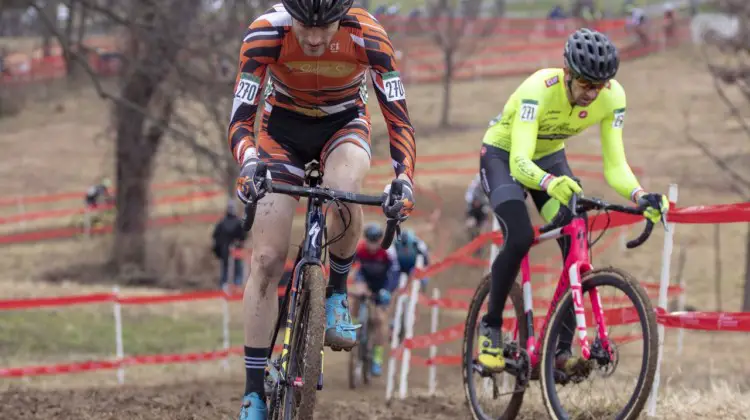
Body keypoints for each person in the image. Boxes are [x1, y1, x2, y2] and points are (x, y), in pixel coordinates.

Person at [229, 0, 416, 417]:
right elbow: (241, 119)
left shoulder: (368, 35)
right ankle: (254, 392)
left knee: (344, 188)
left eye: (325, 26)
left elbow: (399, 120)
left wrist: (404, 176)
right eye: (304, 26)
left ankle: (335, 294)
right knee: (266, 257)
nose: (313, 38)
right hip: (281, 137)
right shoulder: (264, 34)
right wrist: (249, 162)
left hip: (344, 127)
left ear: (341, 18)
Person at [476, 28, 669, 375]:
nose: (592, 94)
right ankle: (489, 327)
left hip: (549, 158)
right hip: (504, 157)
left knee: (575, 235)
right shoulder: (538, 90)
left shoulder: (613, 98)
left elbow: (615, 164)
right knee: (519, 236)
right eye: (585, 84)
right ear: (567, 73)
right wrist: (550, 184)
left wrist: (640, 195)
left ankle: (560, 350)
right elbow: (520, 162)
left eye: (600, 85)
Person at [349, 223, 400, 377]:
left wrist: (388, 290)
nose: (372, 245)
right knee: (356, 299)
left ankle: (377, 358)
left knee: (379, 319)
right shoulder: (361, 250)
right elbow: (349, 265)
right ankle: (355, 328)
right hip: (366, 282)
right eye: (369, 241)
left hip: (382, 285)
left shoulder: (388, 252)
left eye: (375, 241)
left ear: (380, 240)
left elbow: (395, 273)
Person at [212, 202, 248, 292]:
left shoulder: (222, 223)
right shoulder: (238, 222)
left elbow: (215, 236)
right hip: (234, 250)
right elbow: (243, 236)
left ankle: (226, 285)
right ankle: (235, 284)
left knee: (227, 268)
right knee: (235, 267)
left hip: (227, 250)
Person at [465, 173, 490, 243]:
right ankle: (472, 239)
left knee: (484, 226)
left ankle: (479, 241)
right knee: (471, 224)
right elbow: (468, 198)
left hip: (482, 208)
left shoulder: (487, 187)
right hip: (474, 209)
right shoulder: (473, 188)